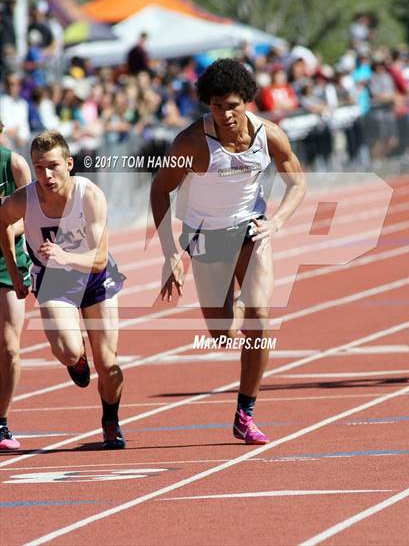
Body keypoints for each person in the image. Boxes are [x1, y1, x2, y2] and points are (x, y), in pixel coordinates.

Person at [151, 59, 306, 445]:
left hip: (251, 229)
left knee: (259, 319)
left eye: (232, 106)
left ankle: (245, 411)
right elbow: (159, 190)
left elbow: (297, 181)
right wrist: (170, 252)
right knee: (223, 333)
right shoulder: (191, 143)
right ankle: (236, 305)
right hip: (206, 237)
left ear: (247, 101)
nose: (225, 115)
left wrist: (277, 222)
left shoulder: (269, 135)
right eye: (217, 107)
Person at [0, 130, 126, 449]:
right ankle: (78, 358)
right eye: (38, 167)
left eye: (53, 166)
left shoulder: (89, 195)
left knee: (108, 363)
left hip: (95, 278)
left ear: (69, 163)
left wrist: (64, 255)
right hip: (55, 281)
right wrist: (15, 273)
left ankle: (110, 421)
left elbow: (98, 259)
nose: (46, 175)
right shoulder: (24, 198)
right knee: (68, 352)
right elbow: (1, 222)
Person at [0, 119, 32, 450]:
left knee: (9, 347)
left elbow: (31, 213)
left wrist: (4, 229)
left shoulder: (13, 164)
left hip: (6, 264)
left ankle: (1, 423)